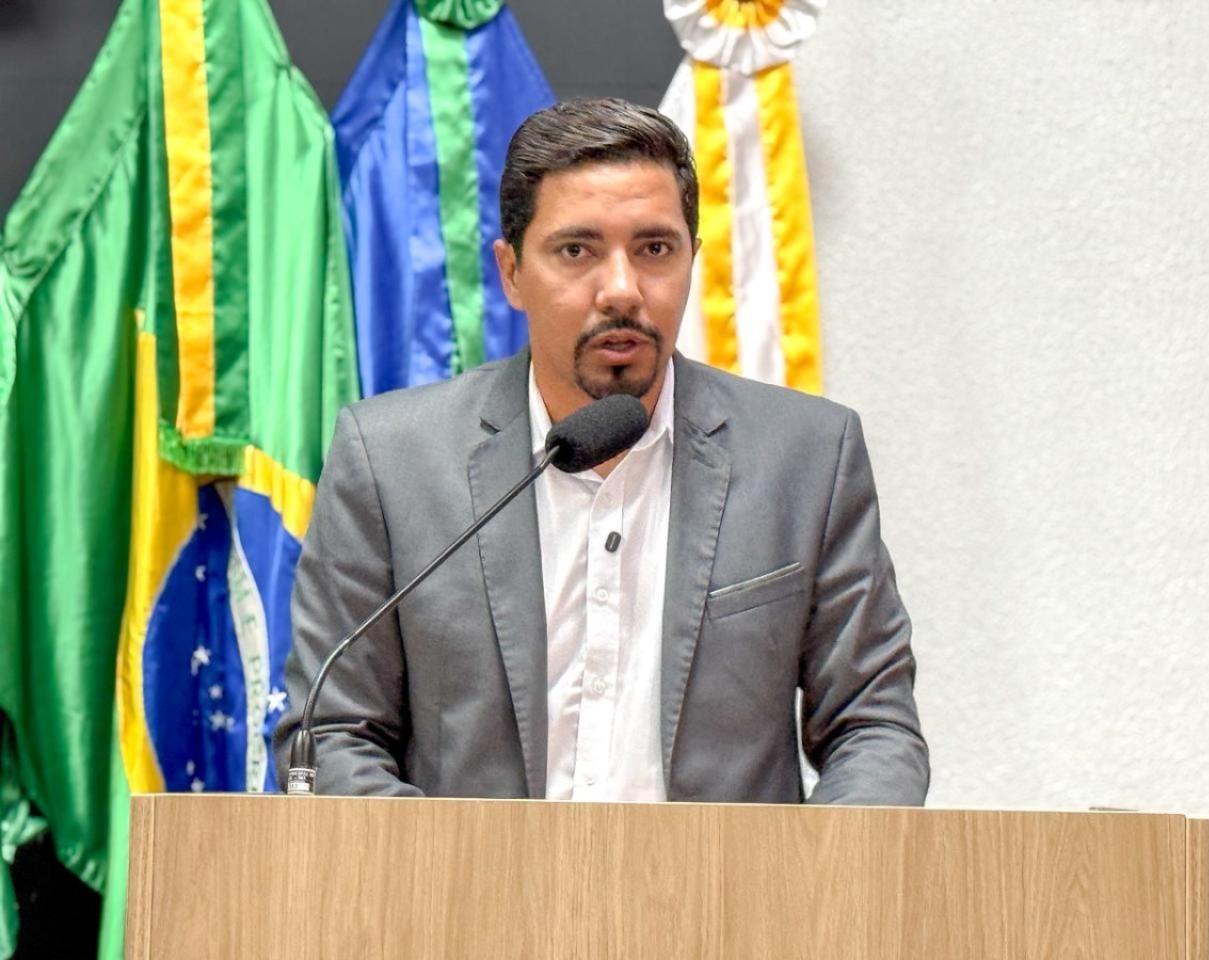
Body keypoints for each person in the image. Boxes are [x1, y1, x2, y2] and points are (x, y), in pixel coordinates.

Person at [274, 98, 928, 805]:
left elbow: (873, 727)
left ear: (692, 259)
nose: (622, 290)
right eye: (576, 251)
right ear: (511, 272)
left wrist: (812, 869)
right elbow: (332, 731)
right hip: (466, 879)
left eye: (655, 250)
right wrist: (453, 869)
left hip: (727, 881)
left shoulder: (806, 457)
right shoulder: (391, 461)